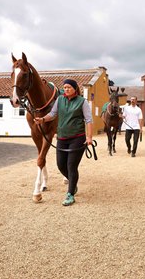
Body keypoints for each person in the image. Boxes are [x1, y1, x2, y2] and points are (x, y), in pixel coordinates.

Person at [34, 78, 93, 206]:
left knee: (71, 166)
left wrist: (89, 137)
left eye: (69, 87)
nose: (66, 89)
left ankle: (70, 194)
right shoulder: (60, 100)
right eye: (65, 87)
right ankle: (73, 182)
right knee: (61, 165)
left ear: (75, 89)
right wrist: (42, 120)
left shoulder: (82, 102)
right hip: (61, 137)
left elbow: (88, 120)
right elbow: (53, 114)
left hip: (77, 138)